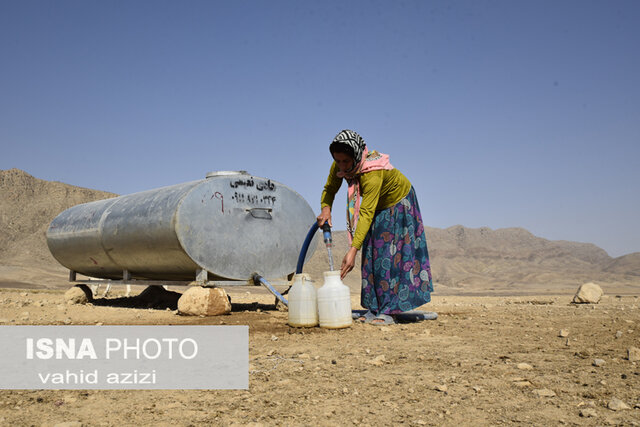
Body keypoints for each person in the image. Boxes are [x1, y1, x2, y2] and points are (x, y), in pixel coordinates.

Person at [317, 129, 433, 325]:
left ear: (355, 156)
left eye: (346, 161)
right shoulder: (340, 165)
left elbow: (366, 213)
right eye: (338, 161)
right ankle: (373, 307)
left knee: (389, 254)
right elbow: (329, 189)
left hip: (397, 203)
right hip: (378, 206)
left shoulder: (373, 172)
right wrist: (326, 208)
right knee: (371, 254)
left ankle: (389, 311)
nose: (342, 166)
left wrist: (352, 250)